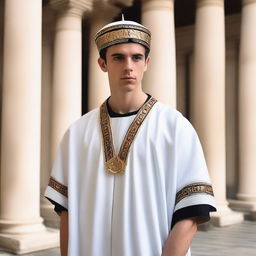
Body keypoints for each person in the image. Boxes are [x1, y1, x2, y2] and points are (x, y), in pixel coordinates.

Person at [45, 18, 216, 256]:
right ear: (102, 63)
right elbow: (66, 211)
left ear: (146, 63)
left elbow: (192, 213)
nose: (129, 66)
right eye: (118, 57)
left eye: (136, 57)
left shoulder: (175, 127)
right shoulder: (77, 134)